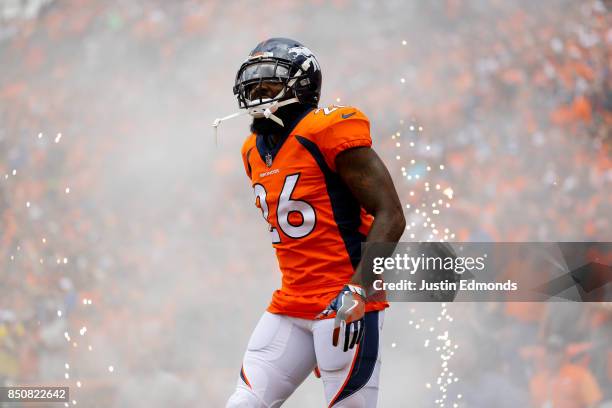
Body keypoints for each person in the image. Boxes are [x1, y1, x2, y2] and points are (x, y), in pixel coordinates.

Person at [220, 38, 405, 407]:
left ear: (301, 87)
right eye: (252, 85)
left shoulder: (327, 129)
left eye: (268, 85)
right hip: (291, 303)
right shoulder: (251, 151)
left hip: (344, 298)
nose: (256, 93)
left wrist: (357, 290)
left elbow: (391, 214)